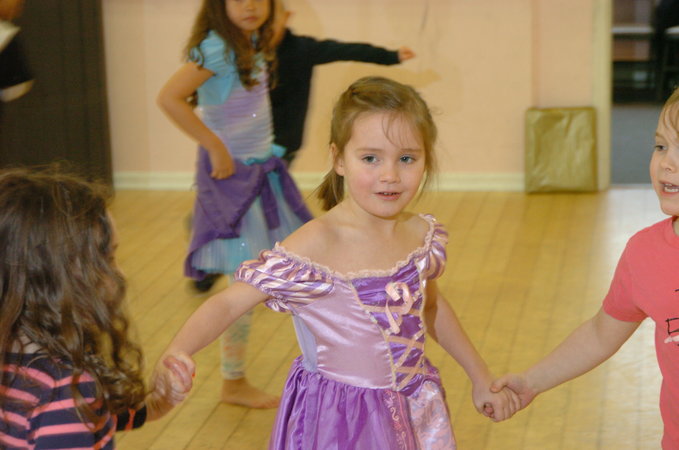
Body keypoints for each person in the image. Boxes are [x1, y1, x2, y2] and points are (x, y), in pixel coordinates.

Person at [156, 76, 520, 448]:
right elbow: (229, 303)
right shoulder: (316, 243)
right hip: (341, 423)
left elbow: (431, 306)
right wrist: (178, 350)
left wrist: (479, 376)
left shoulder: (418, 234)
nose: (390, 175)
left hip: (415, 409)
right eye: (370, 158)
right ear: (338, 159)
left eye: (407, 158)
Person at [491, 87, 679, 449]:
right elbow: (599, 334)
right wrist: (531, 382)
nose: (666, 163)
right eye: (660, 146)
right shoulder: (644, 253)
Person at [157, 0, 312, 409]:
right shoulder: (217, 48)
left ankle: (237, 378)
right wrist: (214, 144)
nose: (250, 5)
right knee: (245, 283)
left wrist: (278, 20)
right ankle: (233, 381)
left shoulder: (250, 41)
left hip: (259, 172)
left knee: (261, 276)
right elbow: (169, 97)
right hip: (234, 180)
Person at [0, 168, 192, 449]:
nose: (120, 274)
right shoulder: (62, 395)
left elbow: (94, 418)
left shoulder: (18, 358)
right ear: (56, 279)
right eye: (109, 259)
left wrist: (153, 406)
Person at [270, 5, 415, 165]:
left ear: (286, 17)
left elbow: (347, 50)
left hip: (284, 141)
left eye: (272, 19)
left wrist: (391, 56)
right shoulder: (249, 53)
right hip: (252, 137)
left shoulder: (301, 49)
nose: (266, 27)